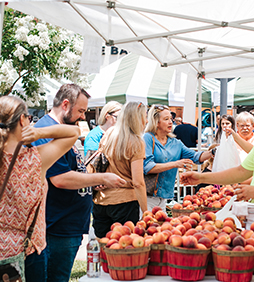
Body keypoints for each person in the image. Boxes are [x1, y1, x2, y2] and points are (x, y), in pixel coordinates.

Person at [26, 84, 126, 282]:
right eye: (80, 111)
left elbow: (71, 171)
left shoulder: (59, 130)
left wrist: (89, 183)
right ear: (65, 104)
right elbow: (60, 179)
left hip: (65, 224)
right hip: (57, 226)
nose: (82, 117)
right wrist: (102, 177)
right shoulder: (46, 131)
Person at [0, 96, 80, 281]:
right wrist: (38, 133)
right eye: (28, 117)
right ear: (22, 120)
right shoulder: (35, 160)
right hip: (28, 251)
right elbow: (73, 132)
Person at [91, 102, 148, 238]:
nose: (146, 121)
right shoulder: (136, 142)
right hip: (125, 203)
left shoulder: (109, 134)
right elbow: (138, 182)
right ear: (137, 119)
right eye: (144, 116)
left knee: (103, 246)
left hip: (101, 200)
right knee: (123, 250)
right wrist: (146, 212)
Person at [143, 105, 212, 212]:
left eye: (171, 119)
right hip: (147, 196)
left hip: (164, 196)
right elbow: (148, 167)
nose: (171, 122)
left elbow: (196, 157)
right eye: (166, 119)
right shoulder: (148, 138)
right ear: (156, 122)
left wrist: (213, 152)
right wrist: (175, 164)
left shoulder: (175, 143)